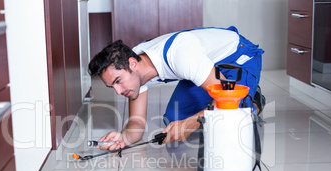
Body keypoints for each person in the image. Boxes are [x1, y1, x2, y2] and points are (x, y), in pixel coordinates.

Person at [88, 26, 265, 151]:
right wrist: (123, 138)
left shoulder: (181, 55)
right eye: (112, 86)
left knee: (230, 119)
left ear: (133, 64)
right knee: (174, 119)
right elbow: (137, 123)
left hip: (237, 59)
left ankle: (252, 100)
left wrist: (191, 123)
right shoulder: (134, 66)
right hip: (204, 66)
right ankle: (211, 88)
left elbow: (226, 98)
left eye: (118, 81)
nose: (118, 91)